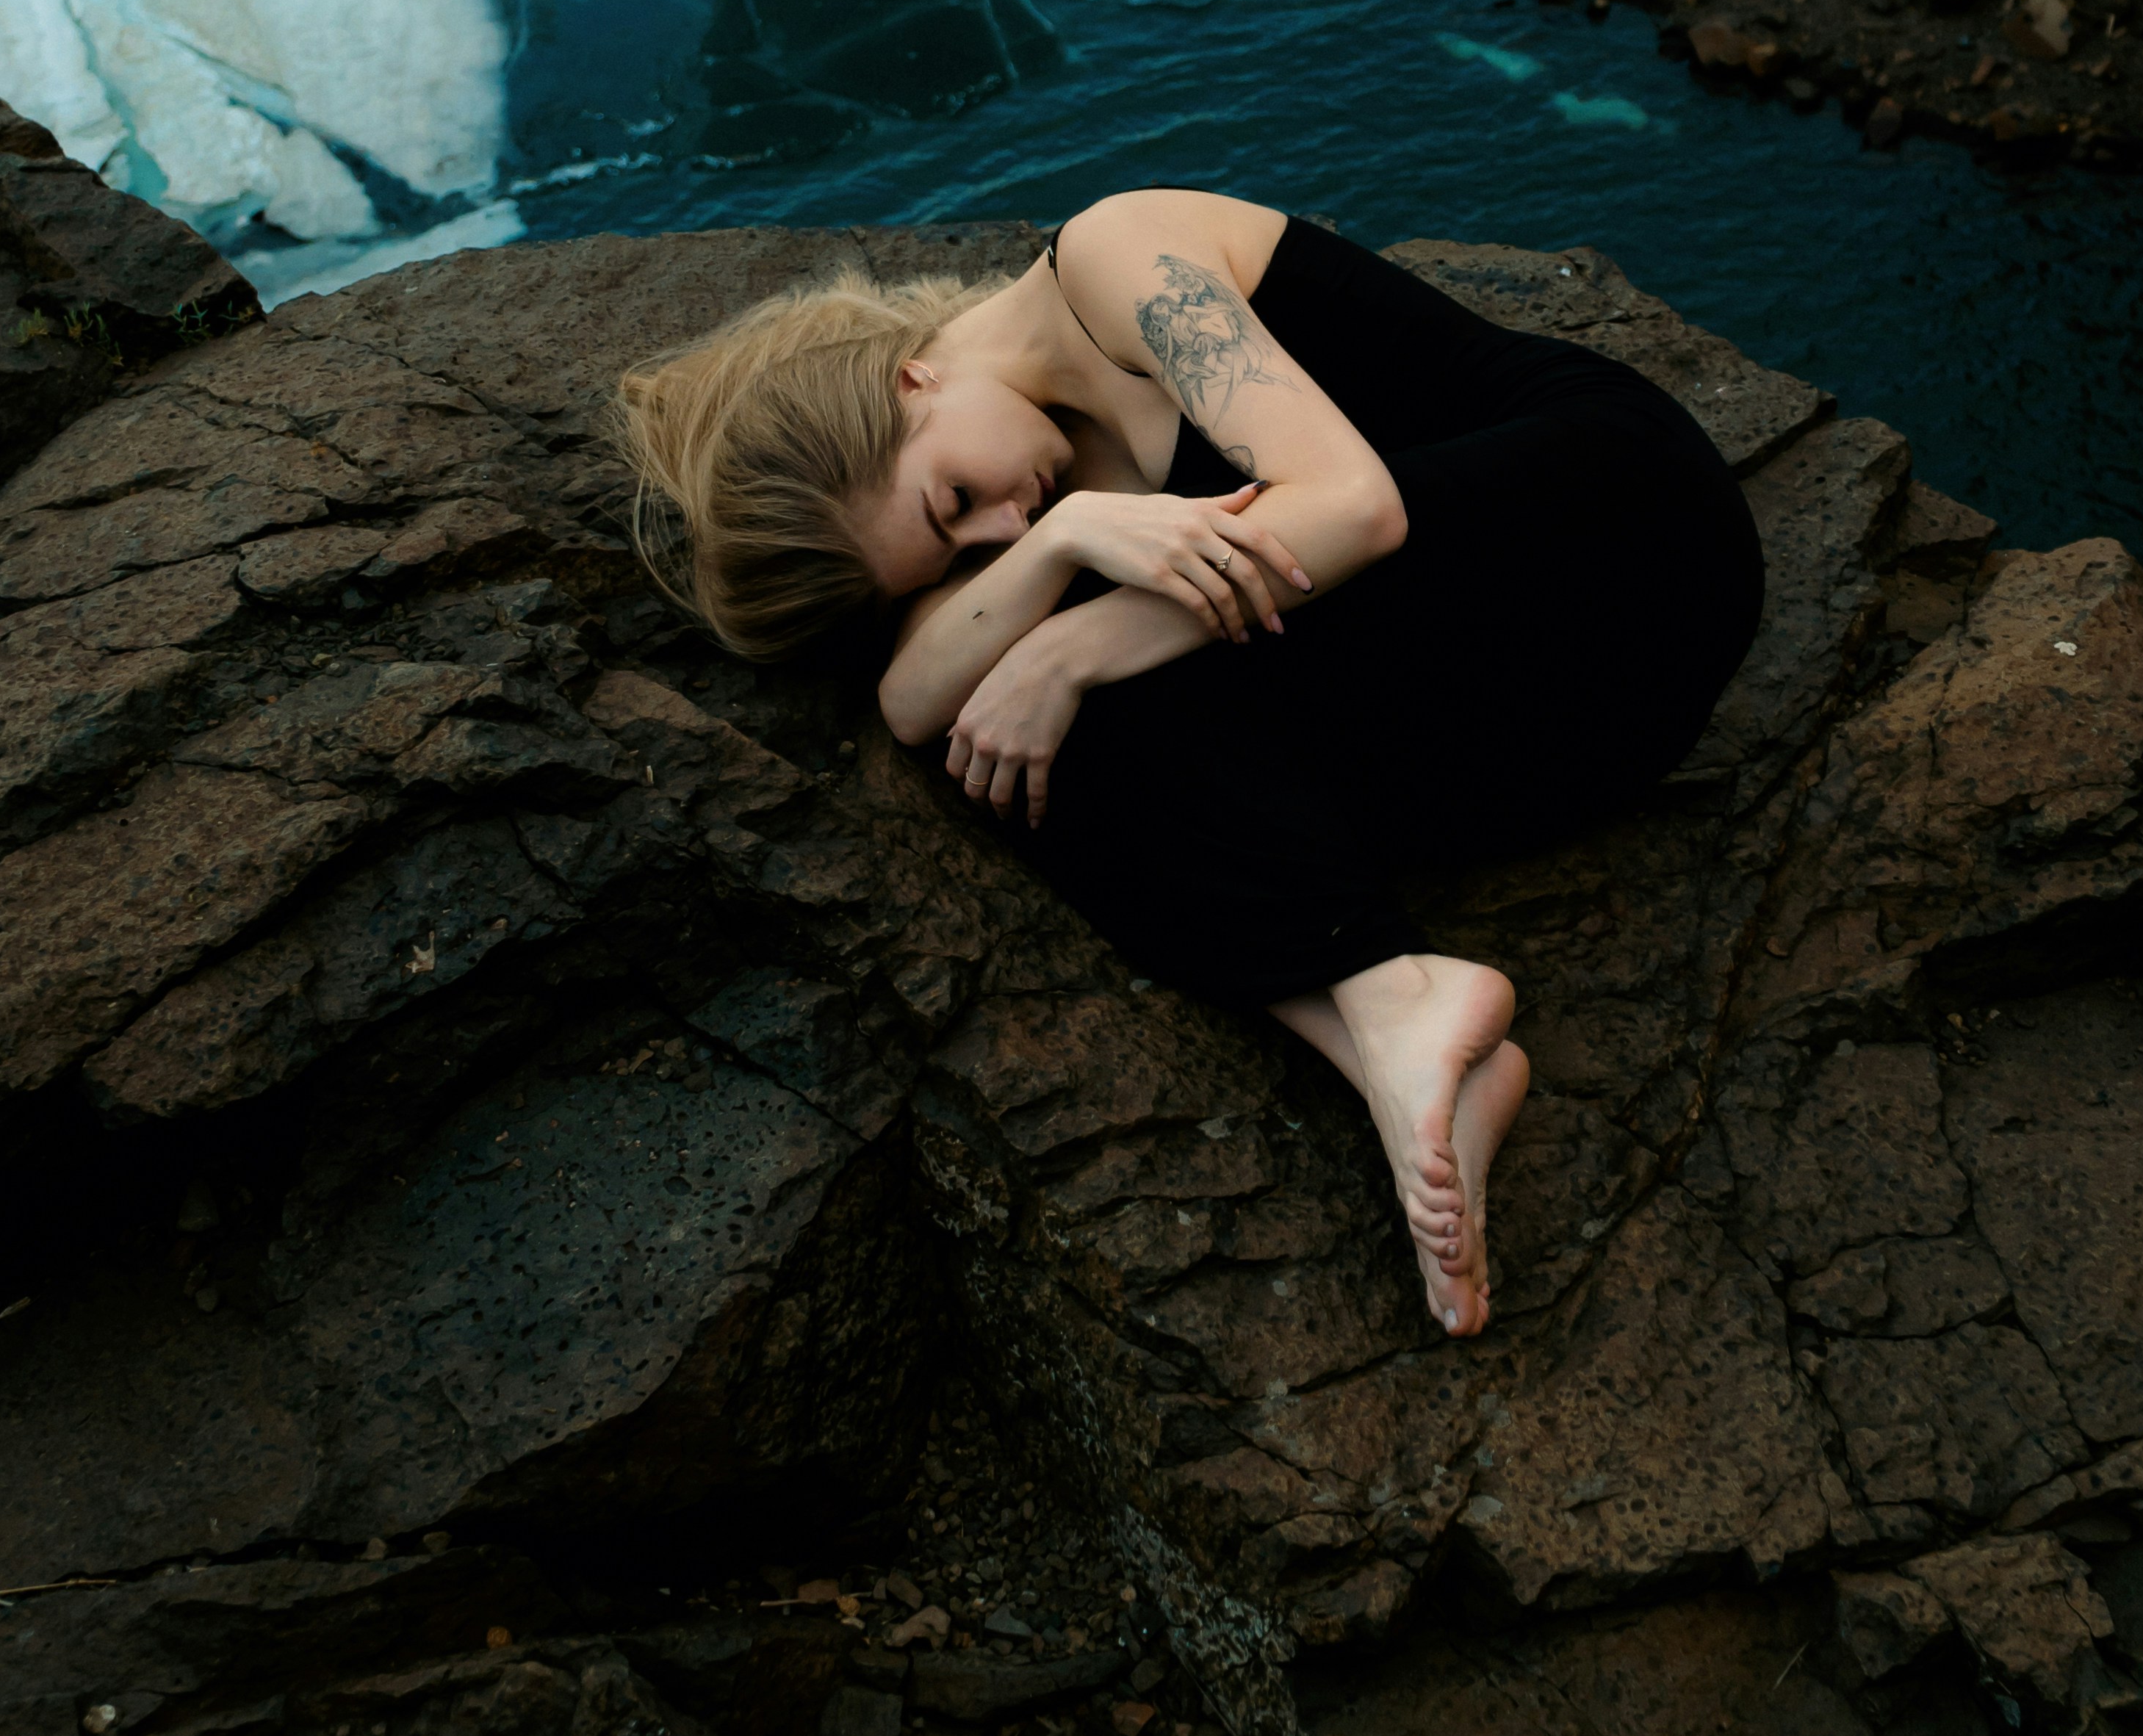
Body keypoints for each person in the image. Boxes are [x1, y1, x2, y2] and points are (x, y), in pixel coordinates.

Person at [616, 190, 1763, 1336]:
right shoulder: (1036, 507)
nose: (994, 536)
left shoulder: (1114, 259)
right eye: (952, 555)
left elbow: (1358, 513)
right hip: (1538, 745)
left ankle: (1384, 1009)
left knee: (1062, 677)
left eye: (954, 501)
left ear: (909, 381)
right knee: (1005, 742)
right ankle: (1394, 1022)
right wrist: (1065, 547)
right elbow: (916, 705)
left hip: (1623, 543)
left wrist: (1067, 646)